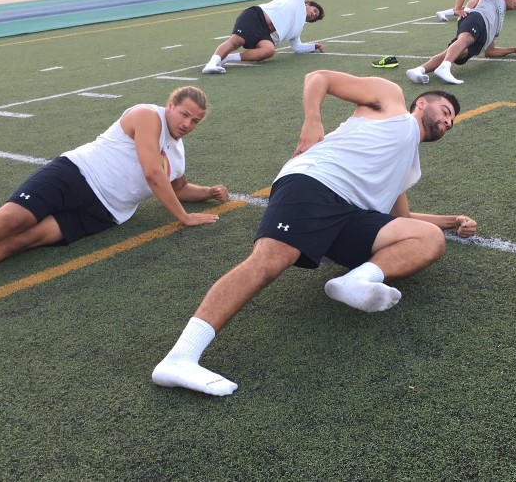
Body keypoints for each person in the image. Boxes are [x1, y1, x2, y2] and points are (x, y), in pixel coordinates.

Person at [152, 70, 477, 396]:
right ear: (422, 103)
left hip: (352, 216)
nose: (448, 123)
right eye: (446, 113)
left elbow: (403, 218)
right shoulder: (390, 100)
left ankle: (357, 280)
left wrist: (452, 221)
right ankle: (180, 358)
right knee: (271, 261)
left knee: (428, 239)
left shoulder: (408, 165)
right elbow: (318, 77)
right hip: (317, 182)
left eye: (452, 122)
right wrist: (313, 121)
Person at [0, 87, 230, 307]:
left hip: (105, 213)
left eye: (195, 121)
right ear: (170, 105)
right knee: (13, 218)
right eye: (184, 114)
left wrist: (209, 193)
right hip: (75, 174)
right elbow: (152, 173)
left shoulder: (179, 153)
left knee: (23, 241)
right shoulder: (147, 114)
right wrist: (183, 217)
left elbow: (178, 187)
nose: (187, 123)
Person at [201, 0, 352, 74]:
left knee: (269, 50)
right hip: (256, 16)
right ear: (308, 4)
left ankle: (226, 59)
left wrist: (314, 47)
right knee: (237, 41)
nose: (313, 15)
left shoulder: (298, 28)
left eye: (315, 17)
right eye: (314, 11)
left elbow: (297, 48)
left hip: (264, 34)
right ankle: (211, 63)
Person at [407, 0, 516, 85]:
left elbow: (490, 51)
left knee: (455, 52)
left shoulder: (500, 21)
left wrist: (514, 49)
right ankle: (445, 67)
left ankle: (418, 70)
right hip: (477, 18)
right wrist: (457, 8)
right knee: (467, 38)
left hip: (481, 40)